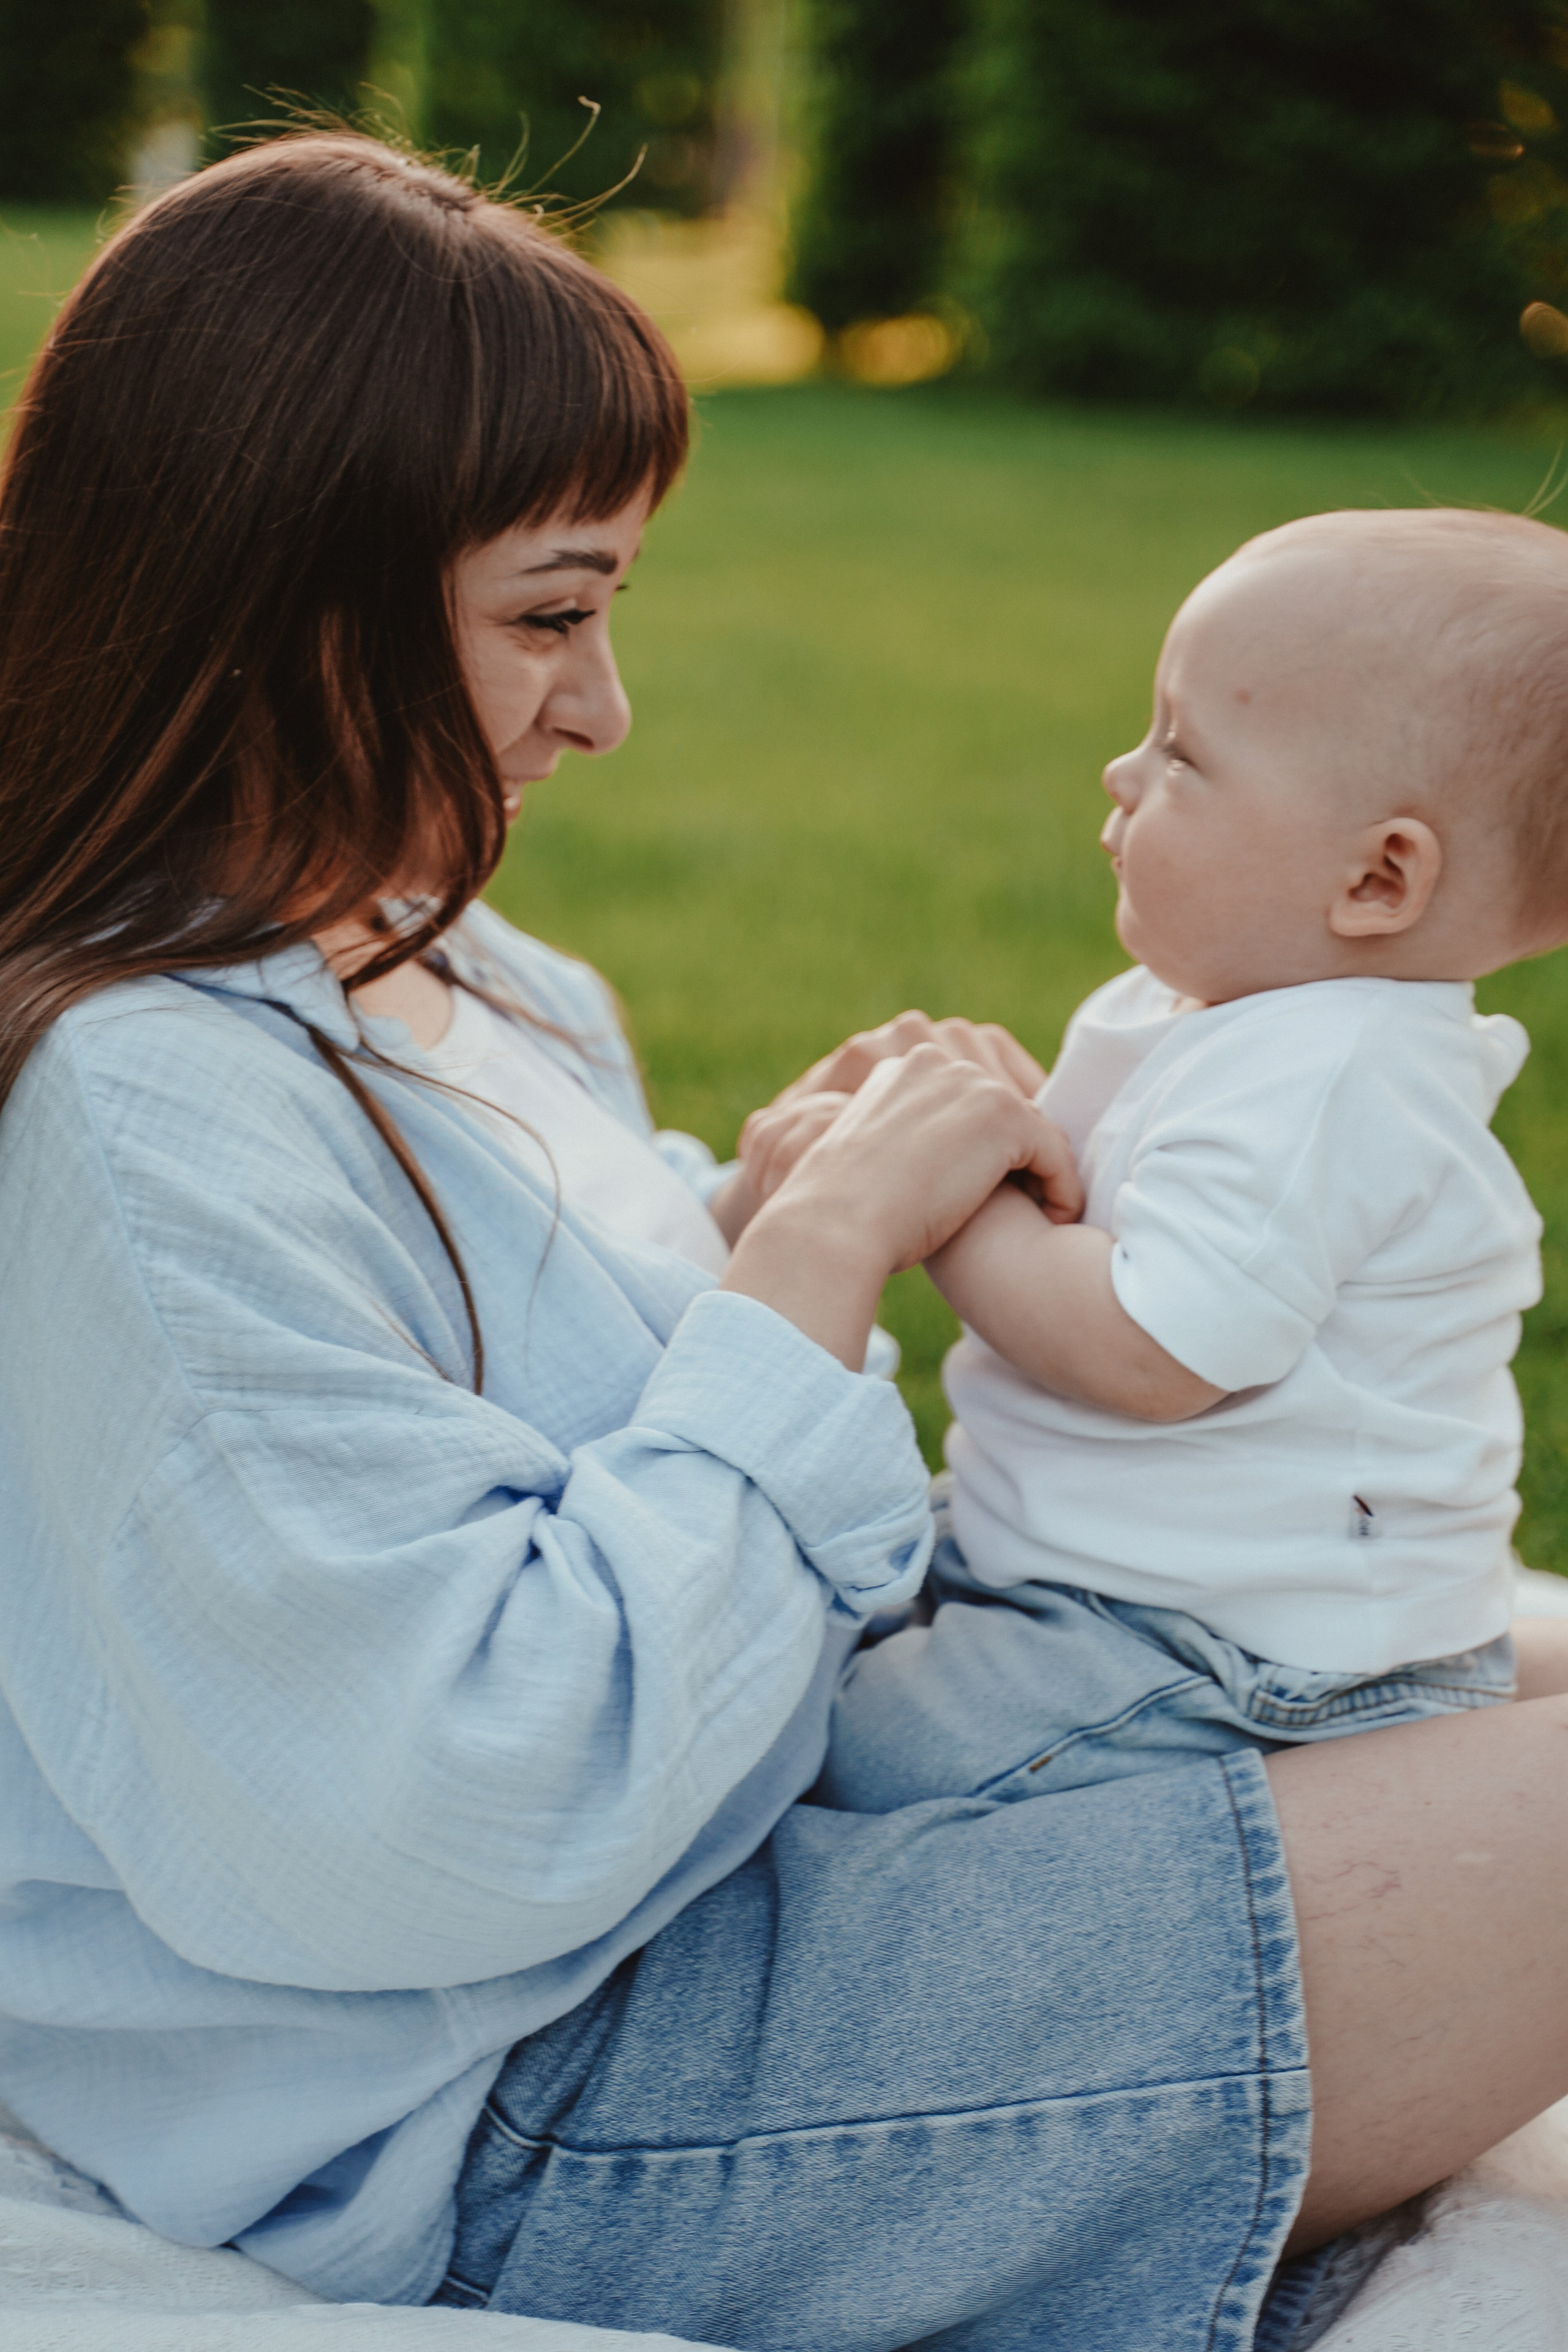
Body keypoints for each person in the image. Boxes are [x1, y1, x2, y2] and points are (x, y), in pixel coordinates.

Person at [2, 130, 1568, 2352]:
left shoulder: (461, 966)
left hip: (751, 1854)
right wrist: (819, 1252)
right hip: (527, 2097)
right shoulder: (139, 1123)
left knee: (1486, 1651)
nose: (604, 707)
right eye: (550, 616)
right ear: (283, 600)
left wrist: (750, 1207)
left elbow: (565, 1406)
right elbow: (448, 1826)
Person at [809, 509, 1559, 1818]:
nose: (1119, 771)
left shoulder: (1332, 1077)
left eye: (1181, 751)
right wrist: (997, 1125)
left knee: (851, 1766)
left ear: (1377, 879)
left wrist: (946, 1199)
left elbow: (1151, 1354)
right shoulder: (1221, 1012)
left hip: (1239, 1649)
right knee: (806, 1624)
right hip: (1103, 1575)